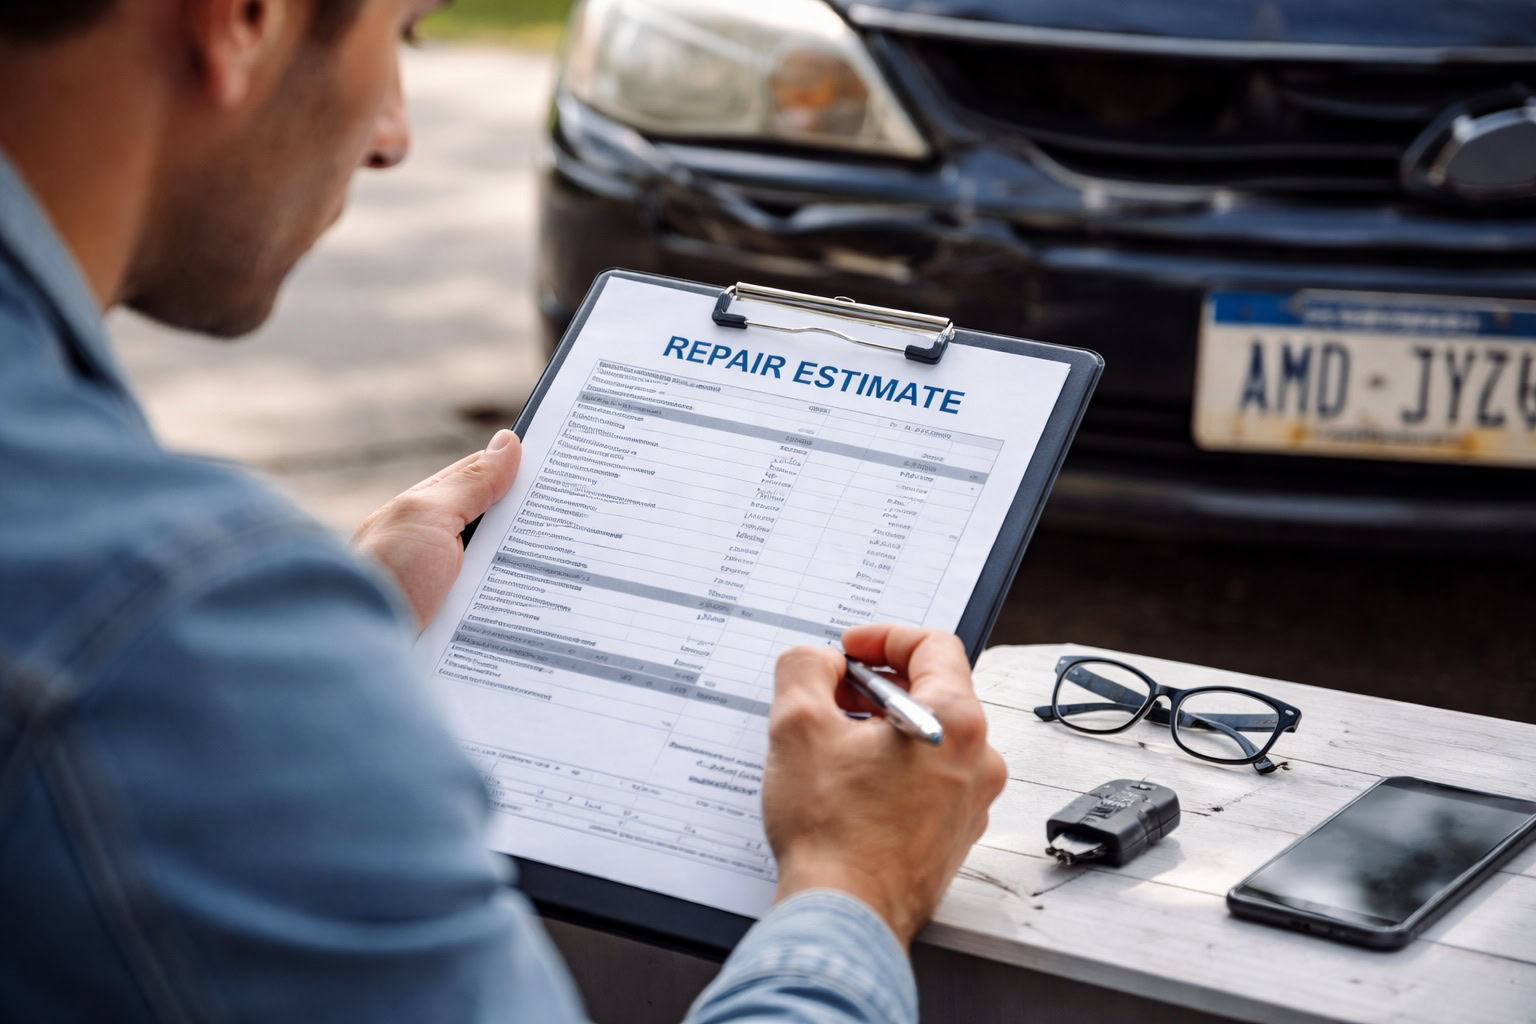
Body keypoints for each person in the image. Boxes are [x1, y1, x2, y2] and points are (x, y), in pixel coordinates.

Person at [0, 1, 1008, 1021]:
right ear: (243, 19)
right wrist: (856, 884)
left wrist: (334, 627)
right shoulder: (158, 617)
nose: (392, 137)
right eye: (402, 35)